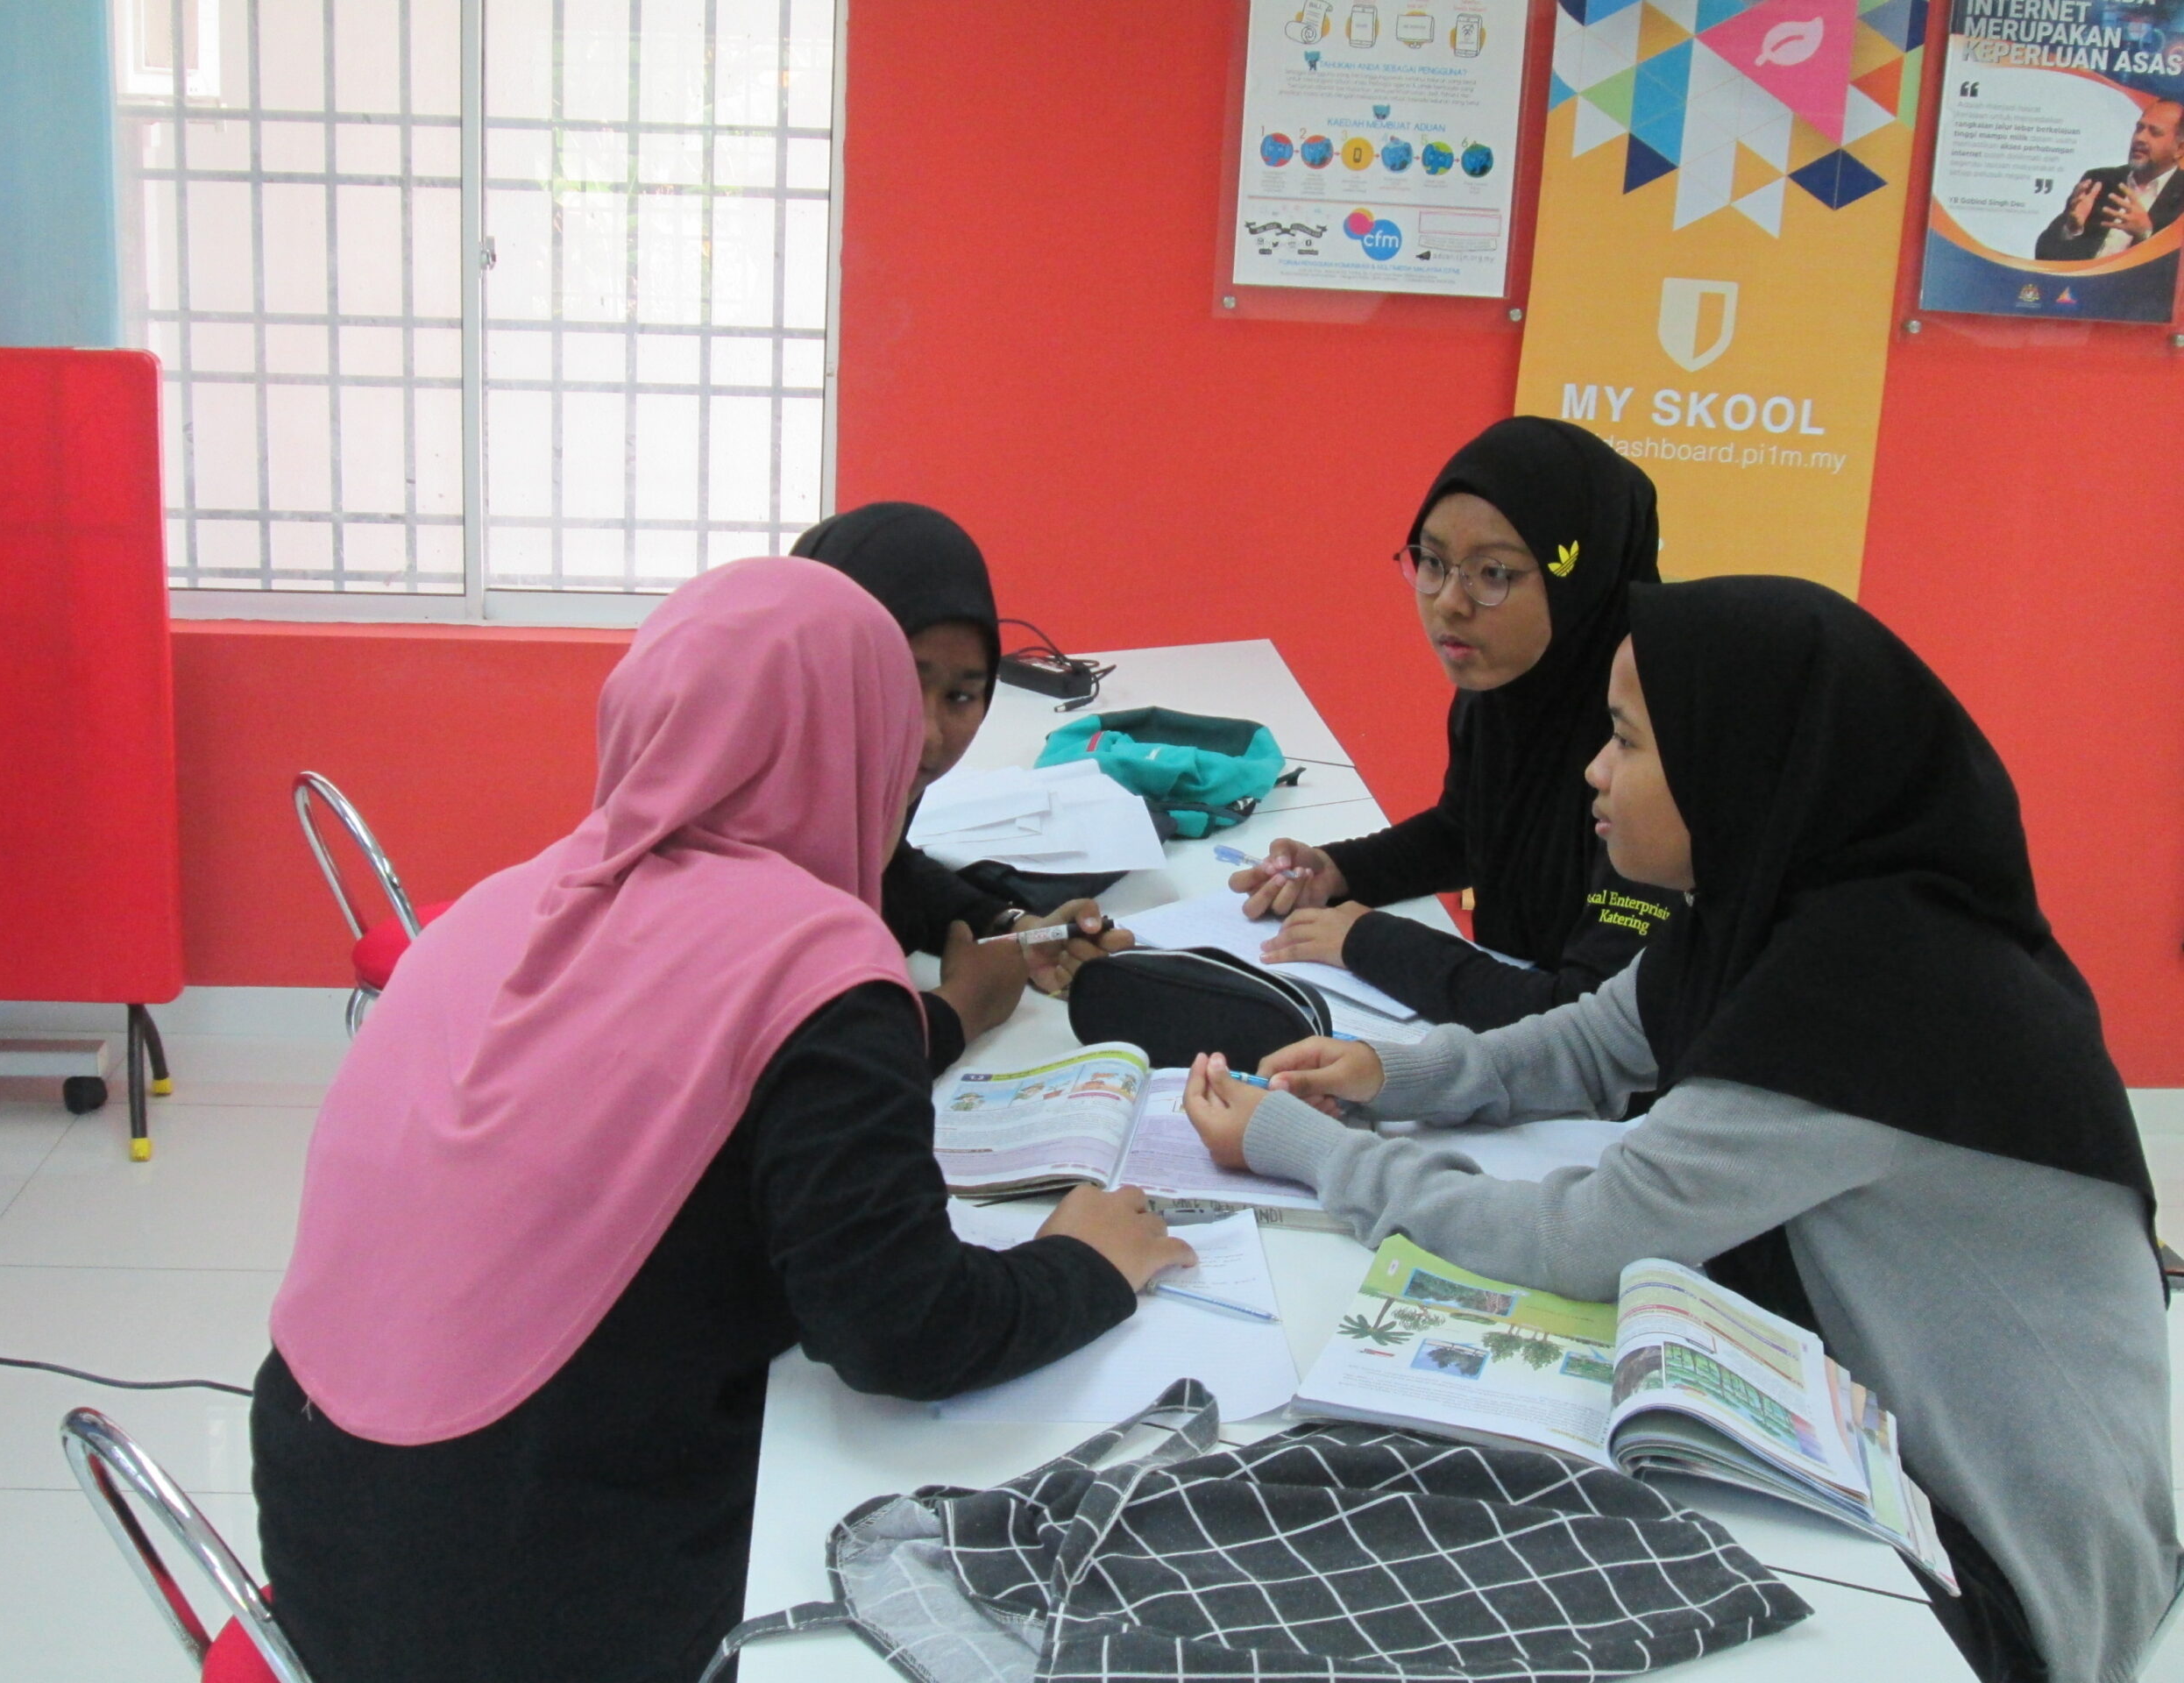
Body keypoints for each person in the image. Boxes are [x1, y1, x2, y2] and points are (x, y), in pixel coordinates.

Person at [1183, 576, 2177, 1683]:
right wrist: (1389, 1073)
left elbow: (1574, 1239)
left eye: (1626, 740)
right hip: (1876, 1434)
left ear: (1737, 763)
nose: (1593, 771)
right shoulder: (1785, 908)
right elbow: (1592, 1042)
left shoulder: (1867, 994)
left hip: (1993, 1575)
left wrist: (1305, 1148)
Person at [251, 558, 1192, 1683]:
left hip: (322, 1558)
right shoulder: (819, 962)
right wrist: (1085, 1264)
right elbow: (901, 1332)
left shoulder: (506, 901)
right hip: (530, 1611)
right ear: (865, 741)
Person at [1231, 418, 1683, 1031]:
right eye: (1433, 562)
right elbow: (1467, 830)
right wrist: (1339, 870)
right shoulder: (1505, 684)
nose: (1449, 601)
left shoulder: (1659, 740)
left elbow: (1588, 1021)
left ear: (1580, 579)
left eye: (1493, 573)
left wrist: (1375, 942)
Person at [793, 502, 1131, 1070]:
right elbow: (783, 1062)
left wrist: (1009, 927)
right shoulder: (726, 821)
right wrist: (960, 1011)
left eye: (960, 696)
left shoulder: (849, 802)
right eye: (898, 684)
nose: (928, 735)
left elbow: (888, 875)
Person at [2035, 98, 2183, 260]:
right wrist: (2071, 229)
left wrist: (2146, 234)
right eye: (2139, 128)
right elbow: (2043, 254)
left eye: (2154, 132)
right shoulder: (2099, 181)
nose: (2140, 138)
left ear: (2180, 149)